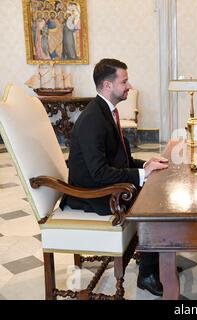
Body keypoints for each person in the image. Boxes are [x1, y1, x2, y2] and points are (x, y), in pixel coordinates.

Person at [60, 58, 169, 296]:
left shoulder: (106, 111)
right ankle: (148, 273)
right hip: (92, 195)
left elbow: (119, 161)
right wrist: (141, 174)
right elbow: (99, 173)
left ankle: (157, 259)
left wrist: (147, 164)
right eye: (124, 81)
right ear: (108, 85)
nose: (129, 86)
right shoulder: (92, 119)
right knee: (153, 202)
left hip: (104, 184)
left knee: (156, 187)